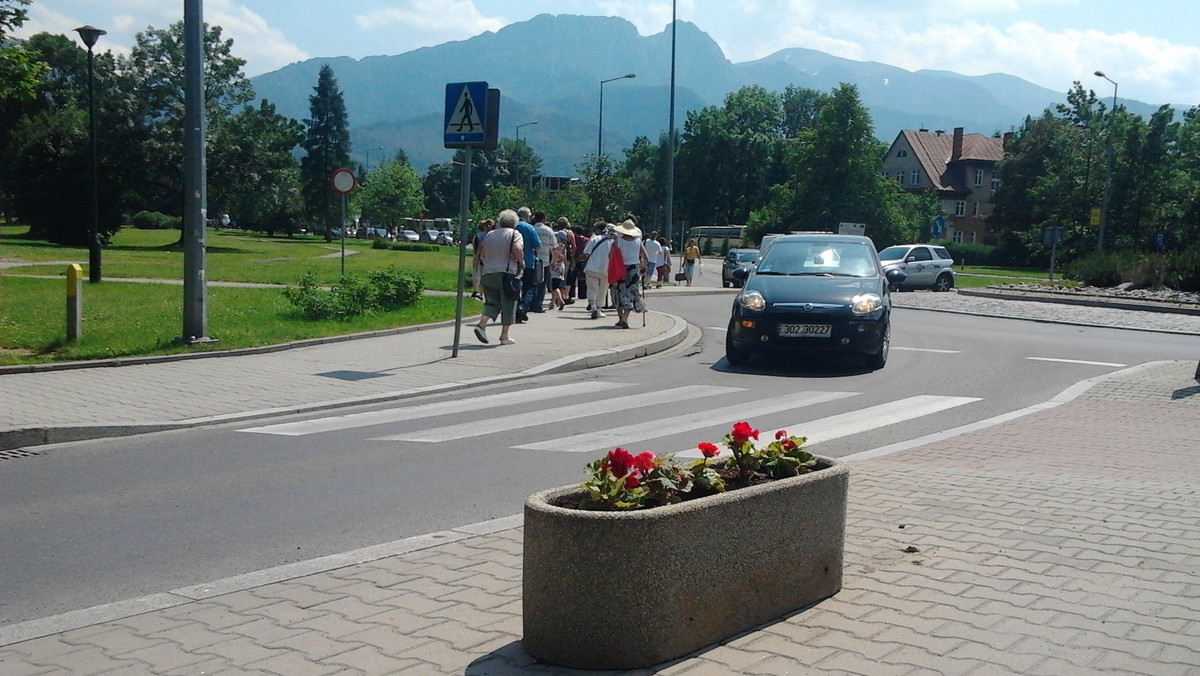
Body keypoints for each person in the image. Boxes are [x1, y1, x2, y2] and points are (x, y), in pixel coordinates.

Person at [474, 209, 524, 346]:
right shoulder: (515, 234)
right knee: (509, 303)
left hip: (488, 273)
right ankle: (504, 336)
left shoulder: (490, 235)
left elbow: (483, 254)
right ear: (514, 223)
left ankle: (482, 324)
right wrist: (521, 262)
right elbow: (518, 249)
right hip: (506, 273)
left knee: (492, 302)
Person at [612, 220, 649, 328]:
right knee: (631, 292)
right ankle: (625, 318)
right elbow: (646, 257)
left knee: (619, 292)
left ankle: (621, 319)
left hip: (620, 269)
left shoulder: (618, 241)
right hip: (634, 269)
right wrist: (643, 267)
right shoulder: (638, 241)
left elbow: (611, 256)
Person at [581, 221, 614, 320]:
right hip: (605, 270)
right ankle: (599, 310)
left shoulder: (594, 239)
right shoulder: (613, 243)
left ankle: (593, 307)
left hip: (592, 268)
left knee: (592, 289)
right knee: (602, 290)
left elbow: (586, 253)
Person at [514, 207, 542, 323]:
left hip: (512, 262)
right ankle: (523, 307)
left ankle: (516, 311)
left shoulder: (512, 226)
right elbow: (538, 246)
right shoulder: (529, 228)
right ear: (527, 216)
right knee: (529, 287)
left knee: (514, 288)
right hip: (528, 262)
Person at [531, 211, 555, 312]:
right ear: (544, 219)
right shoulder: (549, 230)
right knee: (542, 284)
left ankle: (530, 303)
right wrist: (553, 259)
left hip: (532, 260)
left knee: (531, 283)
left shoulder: (531, 229)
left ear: (535, 218)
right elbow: (554, 246)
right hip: (544, 261)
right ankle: (538, 305)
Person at [471, 218, 494, 299]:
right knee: (484, 275)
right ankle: (482, 292)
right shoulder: (489, 235)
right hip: (487, 257)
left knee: (476, 274)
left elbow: (474, 246)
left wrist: (475, 257)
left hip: (477, 256)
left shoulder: (476, 236)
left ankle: (475, 291)